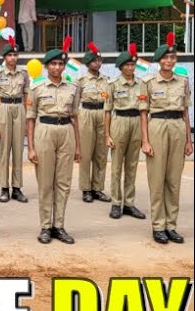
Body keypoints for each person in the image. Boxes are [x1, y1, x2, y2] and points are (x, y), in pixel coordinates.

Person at [28, 38, 81, 245]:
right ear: (46, 66)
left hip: (66, 131)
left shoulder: (73, 88)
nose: (57, 67)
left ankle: (59, 225)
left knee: (63, 182)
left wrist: (78, 145)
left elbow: (75, 116)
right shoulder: (37, 88)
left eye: (60, 64)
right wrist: (31, 148)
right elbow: (30, 118)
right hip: (44, 131)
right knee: (45, 182)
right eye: (53, 64)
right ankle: (45, 226)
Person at [141, 34, 192, 245]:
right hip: (157, 127)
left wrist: (189, 140)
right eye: (165, 58)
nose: (169, 61)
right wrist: (145, 141)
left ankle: (171, 225)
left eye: (172, 57)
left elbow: (186, 112)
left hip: (177, 127)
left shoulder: (183, 81)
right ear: (159, 60)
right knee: (157, 179)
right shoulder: (148, 82)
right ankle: (158, 226)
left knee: (173, 180)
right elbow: (143, 113)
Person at [106, 45, 147, 220]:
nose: (130, 68)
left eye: (132, 65)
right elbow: (107, 111)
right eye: (127, 65)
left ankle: (129, 203)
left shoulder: (142, 84)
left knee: (132, 166)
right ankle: (116, 203)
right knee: (116, 167)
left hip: (136, 122)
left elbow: (145, 109)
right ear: (121, 67)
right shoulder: (113, 84)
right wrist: (107, 135)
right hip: (119, 122)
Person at [0, 37, 30, 203]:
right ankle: (4, 188)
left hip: (19, 108)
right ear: (4, 57)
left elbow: (27, 97)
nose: (13, 58)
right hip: (4, 109)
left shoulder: (24, 74)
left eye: (15, 55)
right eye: (9, 55)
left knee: (18, 150)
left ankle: (17, 188)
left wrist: (28, 121)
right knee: (4, 151)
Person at [77, 44, 110, 205]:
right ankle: (86, 189)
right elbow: (75, 103)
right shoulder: (81, 81)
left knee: (101, 153)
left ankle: (97, 188)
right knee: (86, 153)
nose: (98, 63)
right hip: (86, 114)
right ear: (88, 62)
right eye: (94, 60)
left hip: (102, 113)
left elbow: (109, 100)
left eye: (99, 60)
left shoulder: (106, 80)